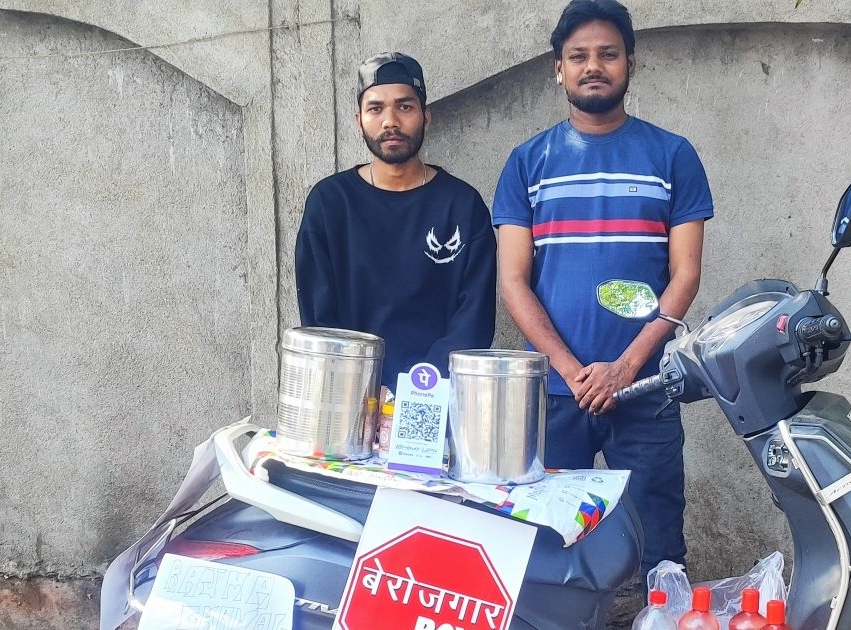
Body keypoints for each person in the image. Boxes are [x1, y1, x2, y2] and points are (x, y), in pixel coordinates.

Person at [492, 0, 713, 579]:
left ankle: (659, 615)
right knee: (540, 549)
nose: (593, 66)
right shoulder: (528, 163)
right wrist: (572, 372)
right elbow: (512, 280)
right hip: (552, 394)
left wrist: (625, 368)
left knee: (660, 550)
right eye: (579, 56)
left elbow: (686, 274)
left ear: (630, 64)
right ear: (558, 69)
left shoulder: (673, 156)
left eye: (608, 54)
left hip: (646, 389)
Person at [295, 52, 496, 383]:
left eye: (404, 106)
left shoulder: (462, 205)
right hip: (350, 392)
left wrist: (421, 386)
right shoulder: (330, 204)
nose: (390, 121)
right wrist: (360, 385)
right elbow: (319, 317)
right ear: (359, 120)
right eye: (376, 109)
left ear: (425, 116)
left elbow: (474, 318)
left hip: (436, 392)